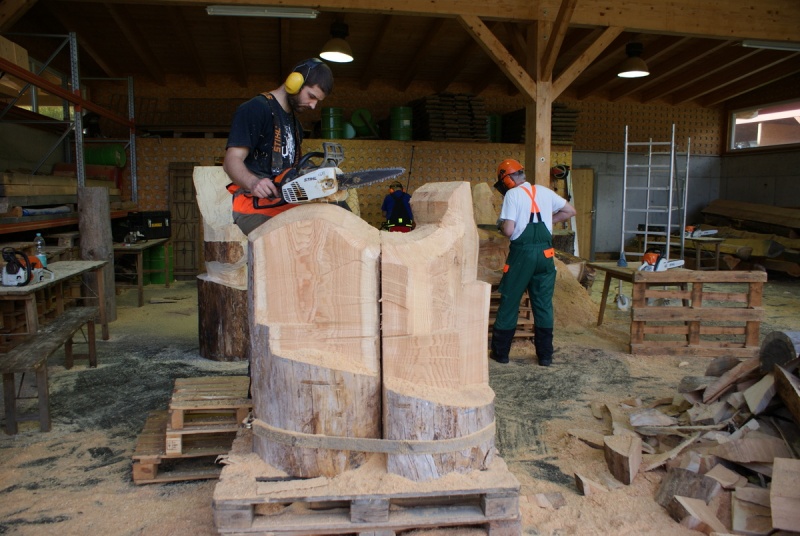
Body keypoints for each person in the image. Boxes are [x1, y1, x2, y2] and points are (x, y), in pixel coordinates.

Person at [223, 58, 334, 235]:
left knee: (336, 214)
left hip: (282, 203)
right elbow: (231, 160)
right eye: (311, 96)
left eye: (317, 101)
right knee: (304, 236)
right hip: (253, 205)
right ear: (294, 83)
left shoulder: (296, 126)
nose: (313, 105)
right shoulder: (256, 109)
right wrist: (253, 183)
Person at [490, 158, 576, 366]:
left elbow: (509, 230)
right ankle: (545, 356)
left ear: (507, 179)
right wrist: (548, 220)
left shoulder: (512, 195)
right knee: (543, 305)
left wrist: (501, 226)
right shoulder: (544, 191)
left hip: (522, 256)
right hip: (545, 255)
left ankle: (501, 353)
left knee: (510, 301)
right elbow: (570, 211)